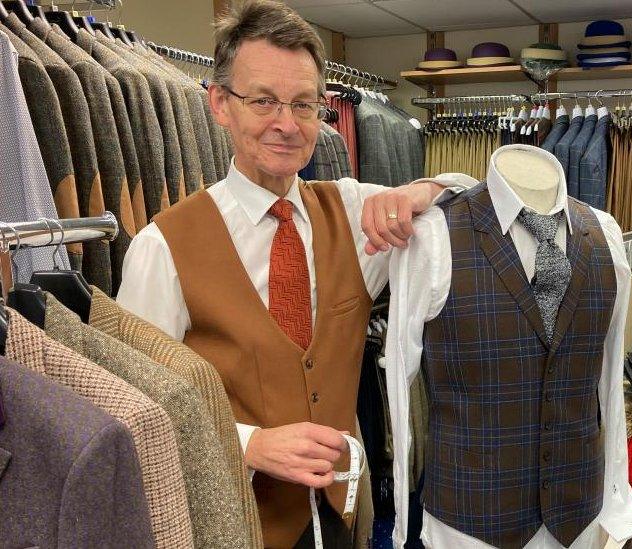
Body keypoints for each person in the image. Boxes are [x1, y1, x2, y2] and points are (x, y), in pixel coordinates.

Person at [116, 1, 459, 547]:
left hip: (341, 514)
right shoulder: (163, 247)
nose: (286, 124)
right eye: (263, 101)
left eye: (303, 105)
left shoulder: (352, 212)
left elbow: (470, 200)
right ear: (220, 104)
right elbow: (134, 408)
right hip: (231, 520)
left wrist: (424, 190)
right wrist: (247, 444)